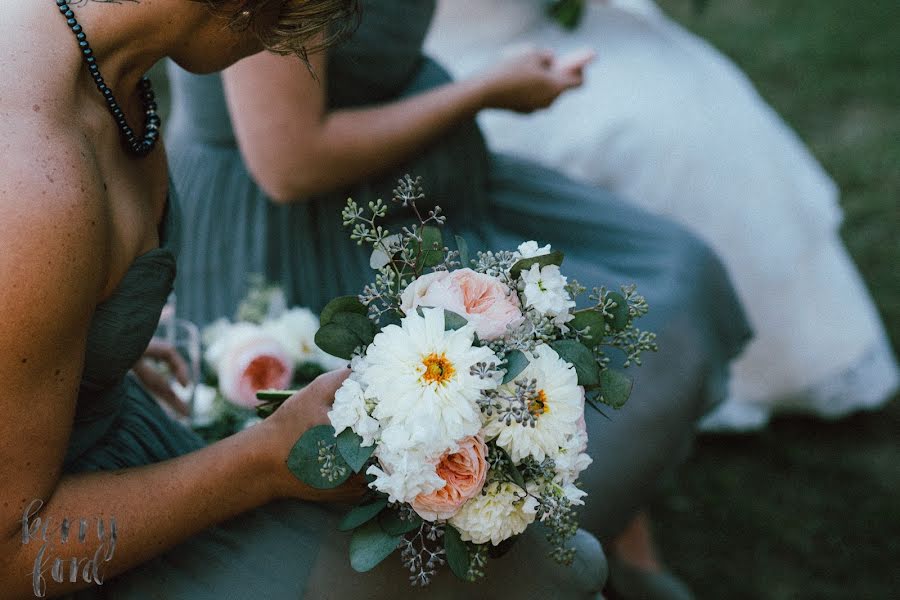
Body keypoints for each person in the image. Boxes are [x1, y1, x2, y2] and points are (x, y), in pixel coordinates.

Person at [1, 1, 615, 599]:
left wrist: (84, 352)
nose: (292, 43)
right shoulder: (36, 183)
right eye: (306, 13)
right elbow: (10, 556)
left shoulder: (84, 51)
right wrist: (266, 461)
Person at [166, 1, 752, 597]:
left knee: (664, 284)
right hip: (304, 233)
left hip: (428, 189)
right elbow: (288, 163)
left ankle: (607, 529)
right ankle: (552, 552)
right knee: (456, 418)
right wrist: (484, 90)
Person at [424, 0, 899, 430]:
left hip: (561, 26)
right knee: (642, 134)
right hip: (459, 58)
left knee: (698, 110)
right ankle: (655, 368)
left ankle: (776, 354)